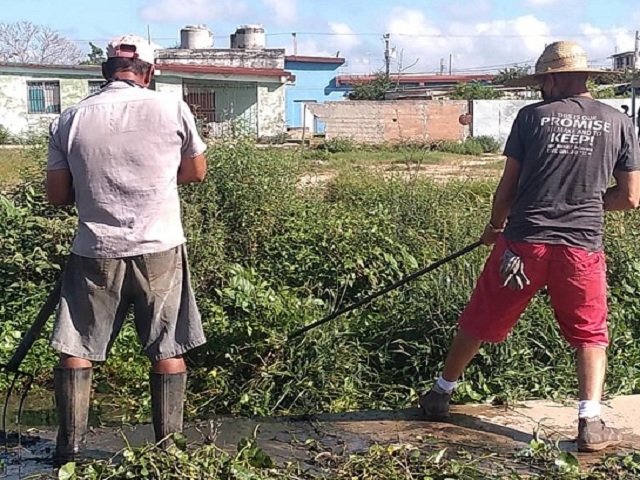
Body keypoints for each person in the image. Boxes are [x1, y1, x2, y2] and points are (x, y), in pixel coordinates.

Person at [418, 41, 640, 453]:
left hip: (522, 246)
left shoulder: (531, 118)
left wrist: (494, 226)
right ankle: (590, 421)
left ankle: (440, 394)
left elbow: (509, 186)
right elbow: (630, 197)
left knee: (480, 317)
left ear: (552, 79)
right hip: (581, 249)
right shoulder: (619, 121)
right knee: (591, 334)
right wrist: (587, 204)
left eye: (542, 81)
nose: (540, 89)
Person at [46, 34, 208, 465]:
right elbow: (195, 172)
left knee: (77, 346)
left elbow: (58, 195)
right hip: (160, 246)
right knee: (168, 346)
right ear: (150, 72)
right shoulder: (171, 107)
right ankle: (168, 451)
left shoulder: (71, 117)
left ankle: (70, 450)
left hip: (94, 250)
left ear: (105, 71)